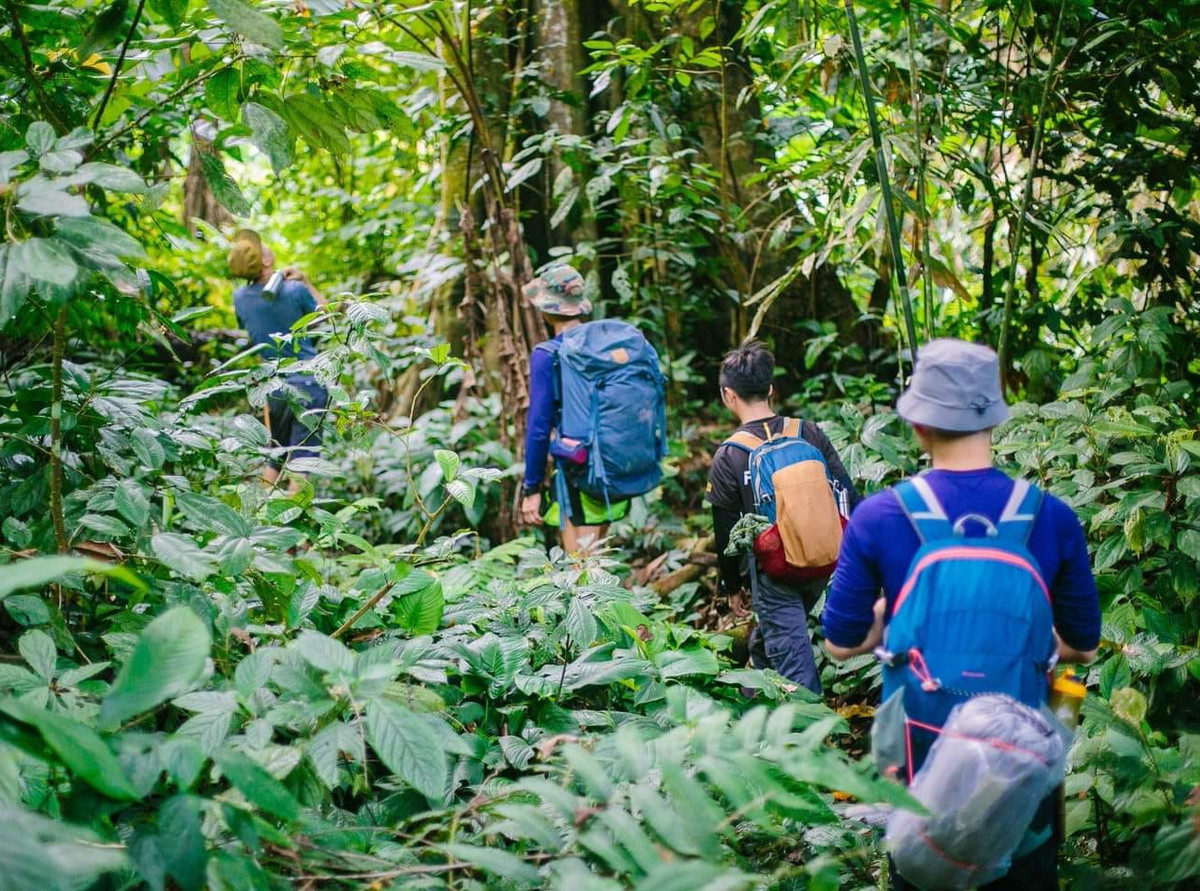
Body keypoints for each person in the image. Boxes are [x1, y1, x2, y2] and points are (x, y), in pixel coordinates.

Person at [822, 338, 1101, 890]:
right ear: (994, 420)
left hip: (920, 773)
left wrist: (893, 613)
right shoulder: (1052, 517)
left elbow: (840, 642)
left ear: (918, 426)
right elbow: (1083, 646)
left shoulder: (879, 517)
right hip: (1017, 773)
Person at [706, 341, 860, 693]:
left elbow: (726, 533)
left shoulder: (729, 456)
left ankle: (816, 721)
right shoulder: (809, 432)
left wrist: (732, 587)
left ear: (728, 395)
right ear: (771, 389)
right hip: (824, 558)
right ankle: (752, 694)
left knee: (794, 660)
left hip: (774, 570)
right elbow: (847, 495)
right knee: (776, 634)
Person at [518, 266, 633, 553]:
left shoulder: (548, 354)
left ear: (546, 310)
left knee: (582, 568)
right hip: (616, 465)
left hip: (578, 473)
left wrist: (531, 488)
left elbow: (538, 427)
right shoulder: (608, 345)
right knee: (596, 559)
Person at [228, 229, 328, 487]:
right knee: (302, 460)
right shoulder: (295, 290)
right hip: (308, 380)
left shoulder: (239, 298)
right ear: (266, 260)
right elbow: (327, 316)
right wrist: (306, 281)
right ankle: (294, 512)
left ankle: (260, 509)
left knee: (275, 456)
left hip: (273, 386)